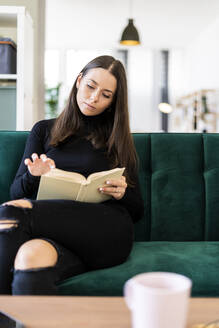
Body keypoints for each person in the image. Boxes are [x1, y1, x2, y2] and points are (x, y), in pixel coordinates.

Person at [0, 55, 144, 295]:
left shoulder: (118, 139)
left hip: (106, 231)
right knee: (30, 256)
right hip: (56, 235)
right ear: (79, 81)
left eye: (106, 95)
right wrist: (35, 175)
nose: (94, 98)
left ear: (112, 102)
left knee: (10, 213)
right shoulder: (44, 130)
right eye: (90, 86)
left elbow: (138, 210)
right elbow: (16, 192)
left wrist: (123, 193)